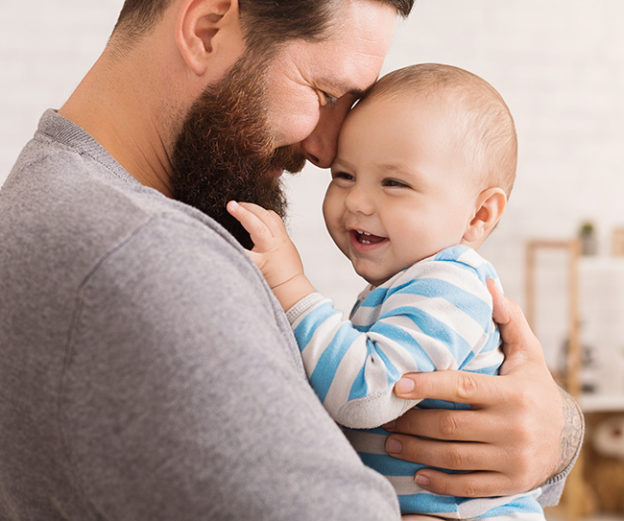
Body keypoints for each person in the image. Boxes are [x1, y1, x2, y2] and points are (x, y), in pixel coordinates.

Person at [0, 1, 582, 520]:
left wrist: (549, 433)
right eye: (325, 95)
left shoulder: (47, 199)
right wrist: (557, 437)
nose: (327, 149)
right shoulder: (144, 256)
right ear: (207, 29)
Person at [227, 62, 547, 520]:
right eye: (343, 176)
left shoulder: (448, 285)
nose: (357, 200)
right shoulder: (406, 286)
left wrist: (291, 287)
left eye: (394, 183)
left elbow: (366, 392)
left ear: (479, 215)